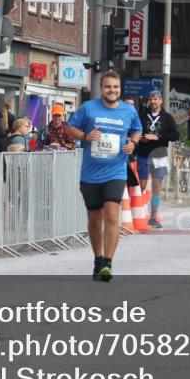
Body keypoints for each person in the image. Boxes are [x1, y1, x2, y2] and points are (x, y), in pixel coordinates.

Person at [67, 71, 142, 282]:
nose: (112, 91)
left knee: (111, 215)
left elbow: (137, 130)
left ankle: (108, 262)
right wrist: (84, 136)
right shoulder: (89, 108)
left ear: (120, 88)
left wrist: (133, 143)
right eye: (108, 87)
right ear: (102, 88)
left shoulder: (128, 111)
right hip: (91, 173)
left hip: (116, 171)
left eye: (116, 87)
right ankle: (98, 258)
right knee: (94, 218)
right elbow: (70, 127)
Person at [135, 89, 179, 229]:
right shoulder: (142, 116)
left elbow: (175, 135)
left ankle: (153, 216)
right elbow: (135, 131)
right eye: (151, 99)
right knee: (141, 185)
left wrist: (158, 137)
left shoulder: (167, 118)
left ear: (161, 100)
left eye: (156, 99)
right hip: (143, 154)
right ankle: (137, 213)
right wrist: (142, 139)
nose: (153, 101)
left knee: (156, 187)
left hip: (159, 154)